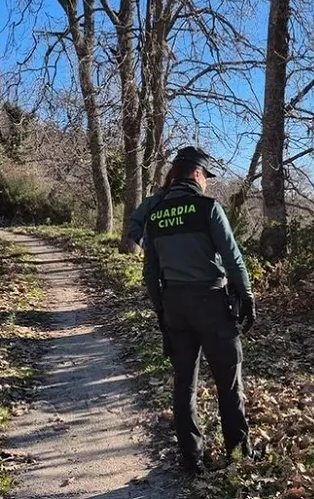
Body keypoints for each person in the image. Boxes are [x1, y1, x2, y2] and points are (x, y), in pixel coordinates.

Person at [142, 145, 259, 474]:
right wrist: (246, 296)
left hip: (174, 305)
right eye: (205, 176)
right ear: (196, 174)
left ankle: (191, 458)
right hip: (211, 305)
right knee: (229, 383)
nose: (206, 182)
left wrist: (162, 315)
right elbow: (233, 258)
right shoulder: (207, 208)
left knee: (184, 385)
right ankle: (238, 455)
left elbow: (150, 272)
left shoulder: (155, 213)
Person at [127, 166, 176, 247]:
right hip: (156, 256)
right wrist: (142, 242)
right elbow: (134, 224)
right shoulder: (152, 202)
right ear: (172, 180)